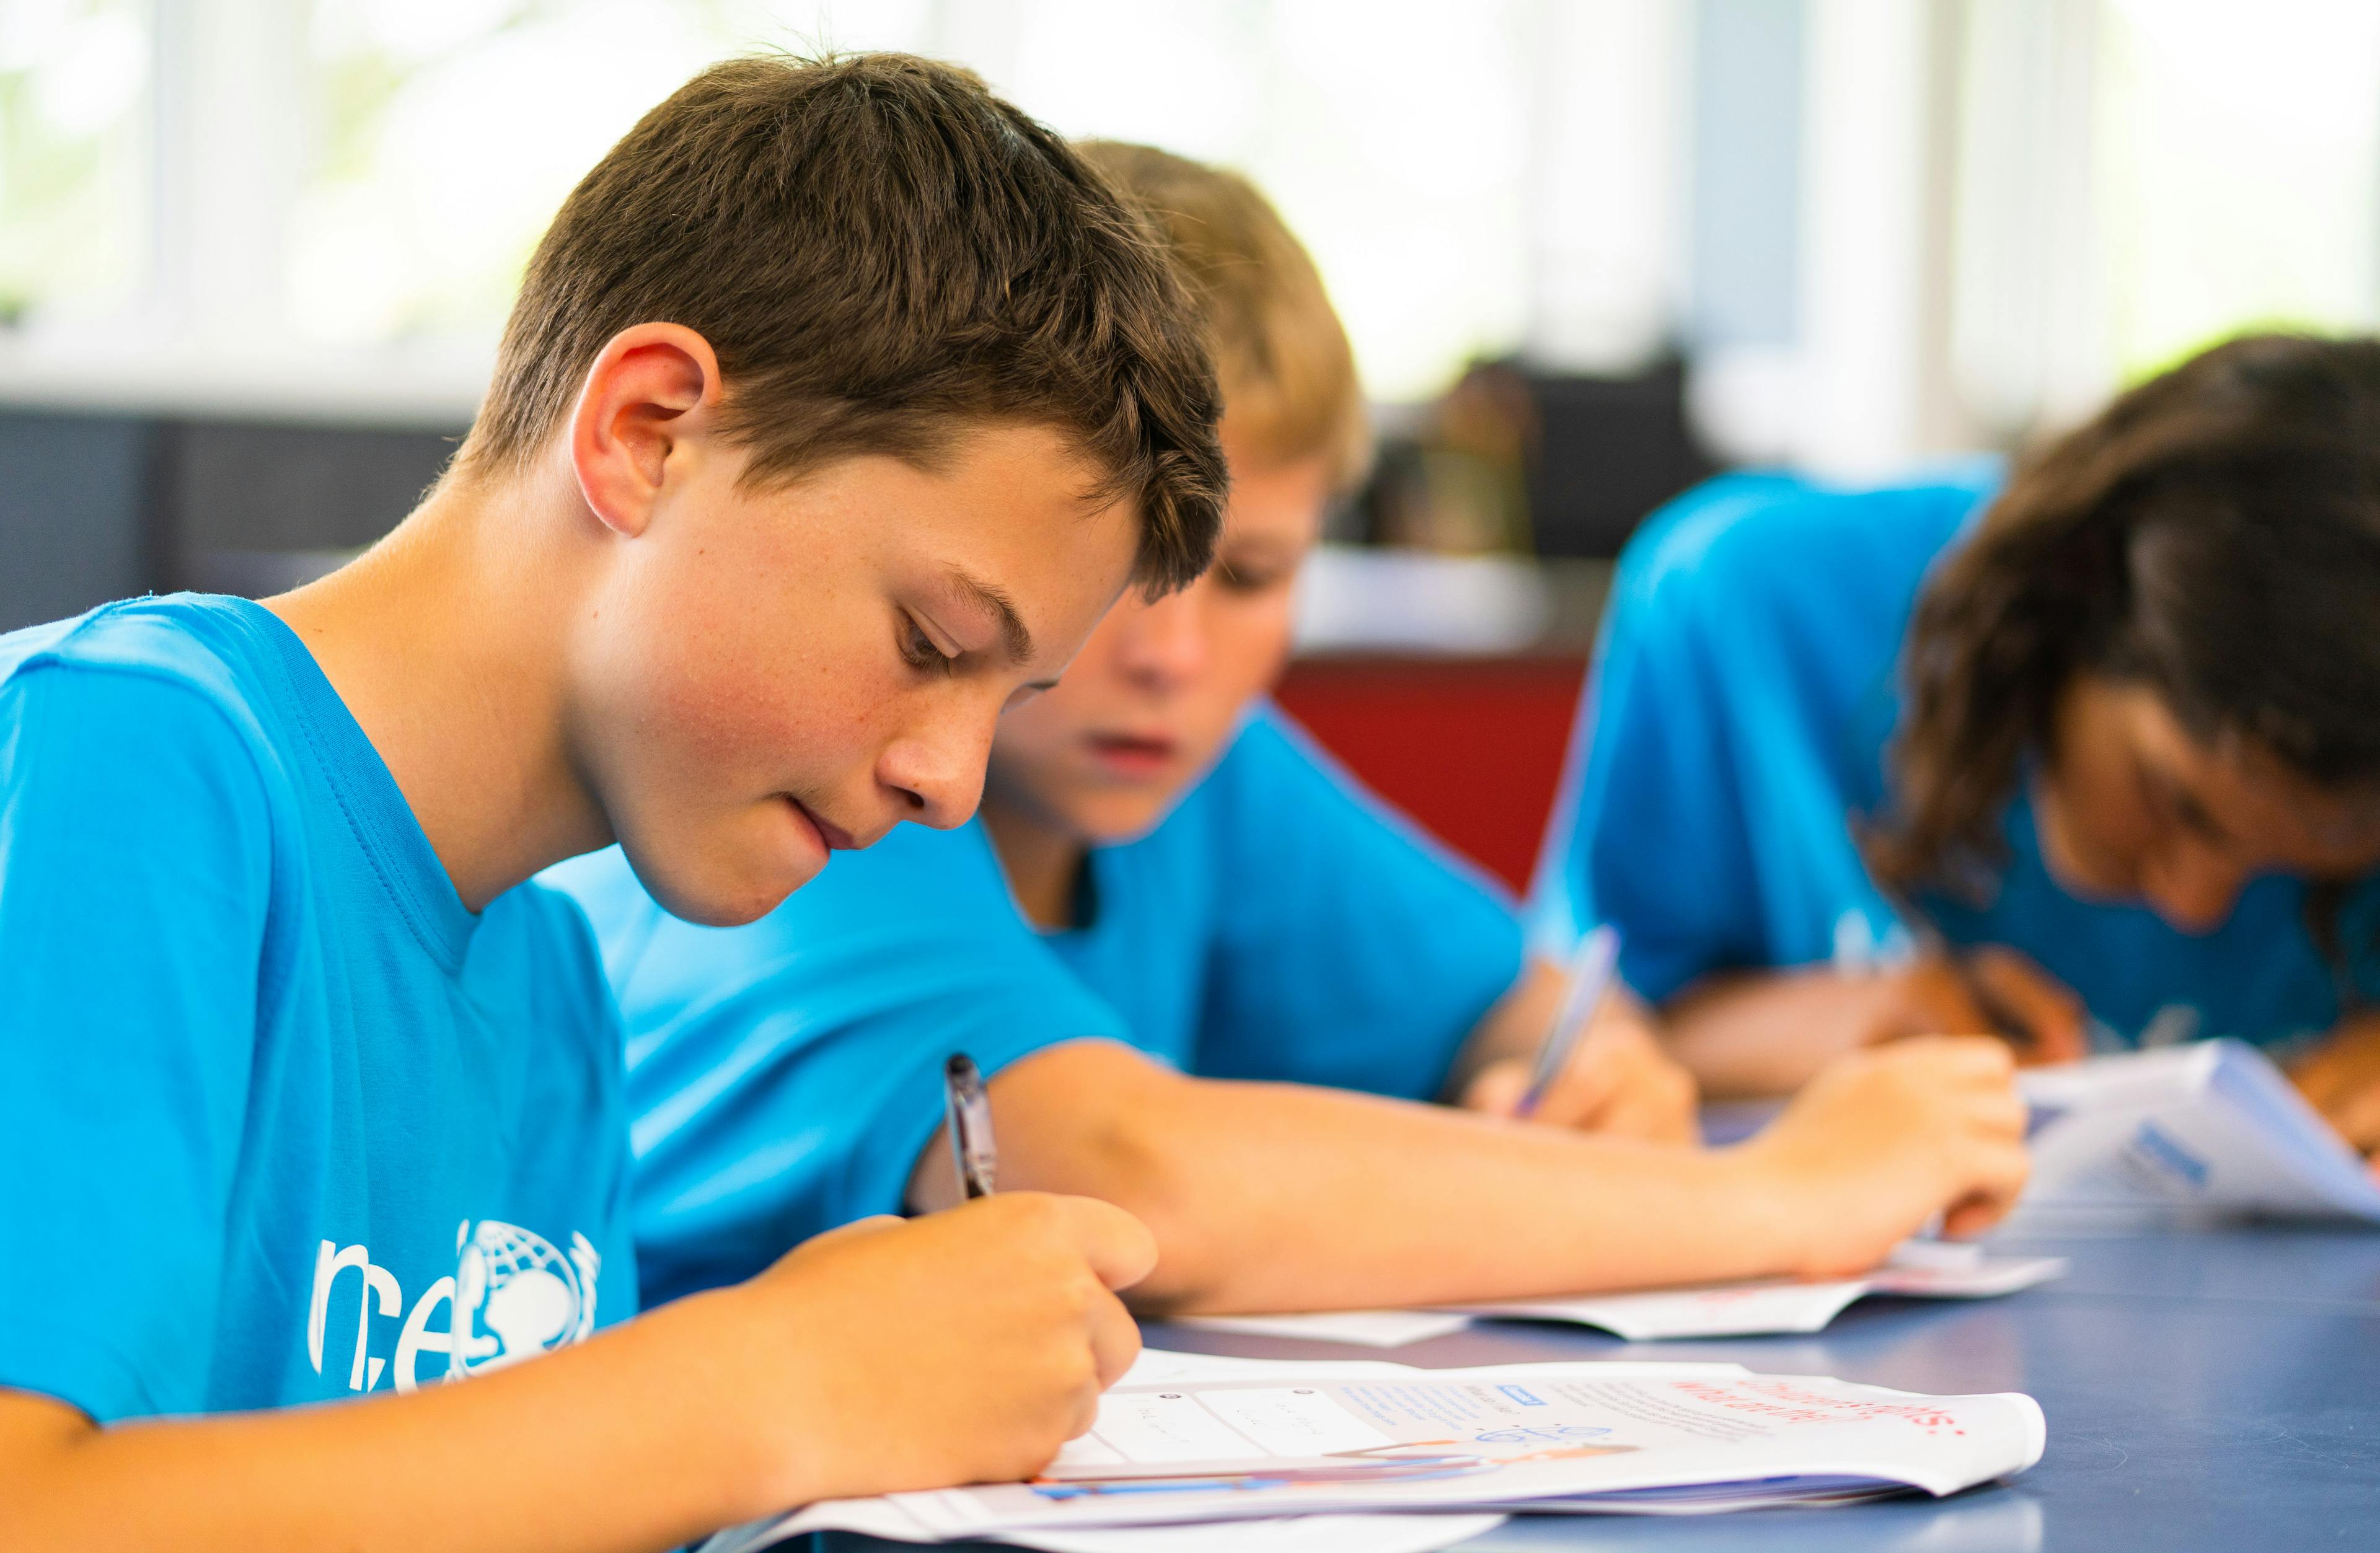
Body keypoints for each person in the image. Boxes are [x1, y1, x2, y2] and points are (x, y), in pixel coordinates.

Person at [0, 56, 1232, 1553]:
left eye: (1010, 698)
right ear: (646, 432)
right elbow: (30, 1530)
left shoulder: (556, 993)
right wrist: (779, 1375)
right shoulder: (136, 749)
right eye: (930, 640)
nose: (955, 785)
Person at [550, 144, 2030, 1323]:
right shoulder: (823, 782)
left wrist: (1586, 1076)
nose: (1173, 654)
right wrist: (1783, 1196)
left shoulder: (1199, 781)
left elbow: (1526, 1003)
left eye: (1250, 575)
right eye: (1119, 581)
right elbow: (1137, 1174)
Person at [1530, 333, 2380, 1146]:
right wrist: (1828, 1025)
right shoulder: (1746, 606)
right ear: (2075, 594)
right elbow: (1559, 1042)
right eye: (2175, 803)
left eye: (2305, 867)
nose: (2193, 902)